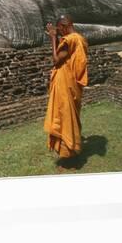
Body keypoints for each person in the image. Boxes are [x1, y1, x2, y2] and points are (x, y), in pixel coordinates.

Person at [43, 14, 89, 169]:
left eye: (59, 29)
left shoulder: (69, 40)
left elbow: (56, 60)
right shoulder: (81, 39)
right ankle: (72, 152)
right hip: (71, 84)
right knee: (71, 118)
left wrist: (53, 38)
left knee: (64, 117)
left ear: (63, 26)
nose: (59, 32)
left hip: (66, 84)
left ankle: (70, 156)